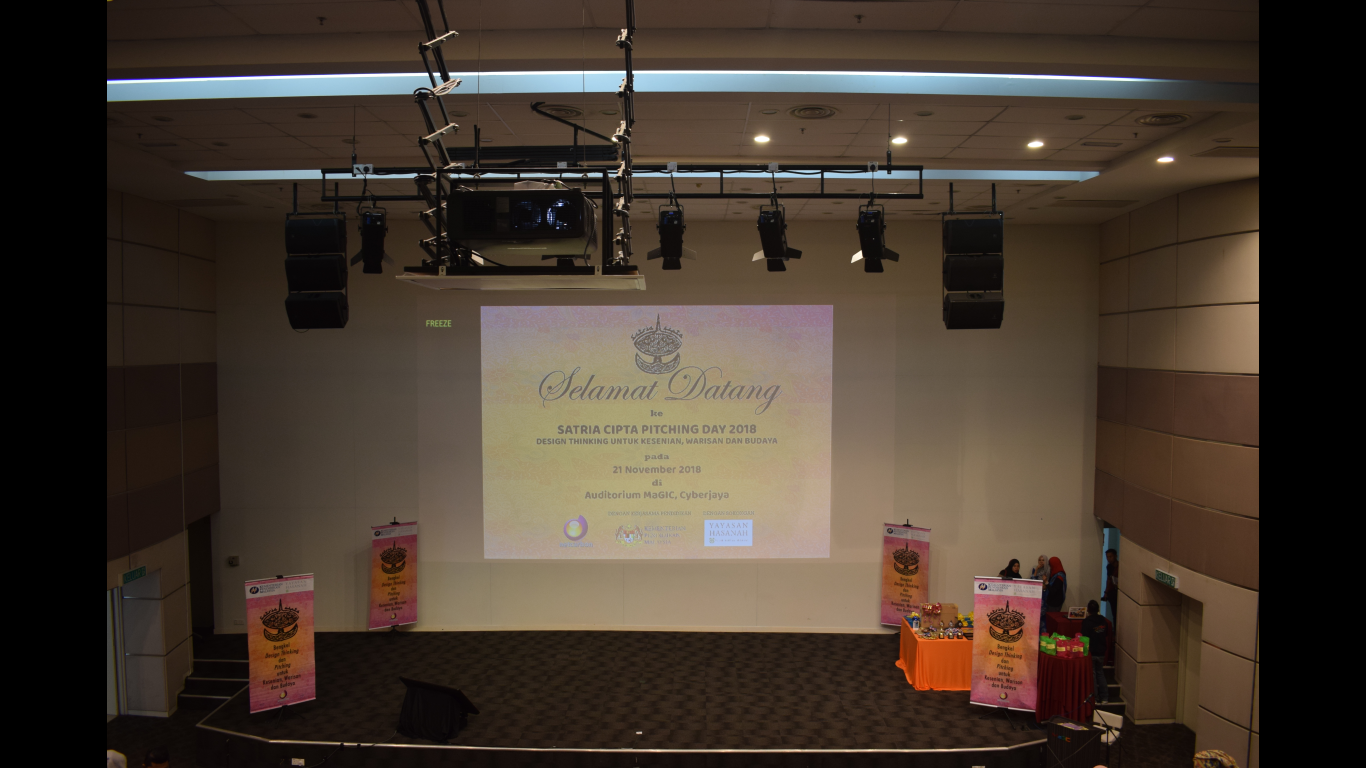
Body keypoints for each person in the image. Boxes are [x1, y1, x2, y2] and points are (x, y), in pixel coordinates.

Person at [1081, 600, 1111, 704]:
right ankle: (1105, 697)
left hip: (1092, 651)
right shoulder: (1103, 621)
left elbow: (1084, 637)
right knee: (1100, 673)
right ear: (1098, 609)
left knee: (1093, 675)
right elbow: (1106, 634)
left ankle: (1095, 698)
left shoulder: (1087, 622)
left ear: (1088, 610)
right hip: (1102, 651)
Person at [1103, 548, 1119, 622]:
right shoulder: (1109, 567)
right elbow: (1109, 579)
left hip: (1119, 591)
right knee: (1114, 613)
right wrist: (1106, 593)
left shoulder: (1120, 566)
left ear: (1115, 556)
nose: (1109, 559)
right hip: (1112, 592)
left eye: (1110, 556)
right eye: (1107, 557)